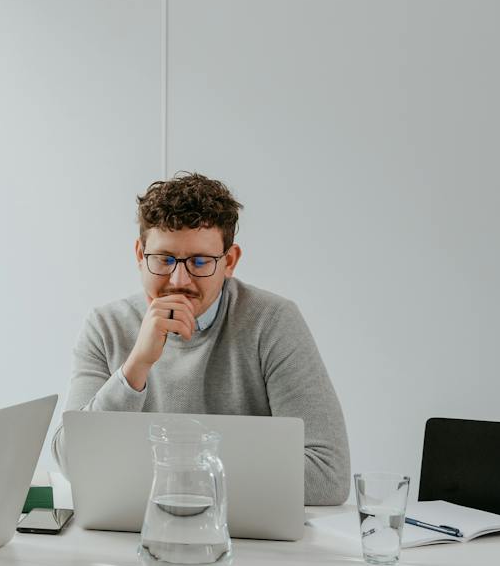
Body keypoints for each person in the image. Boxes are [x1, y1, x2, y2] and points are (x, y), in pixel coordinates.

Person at [52, 172, 350, 504]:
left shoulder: (273, 320)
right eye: (164, 260)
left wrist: (166, 475)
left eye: (199, 262)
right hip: (131, 536)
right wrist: (136, 366)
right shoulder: (105, 326)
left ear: (230, 261)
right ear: (140, 255)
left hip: (244, 543)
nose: (179, 280)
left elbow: (329, 475)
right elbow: (71, 461)